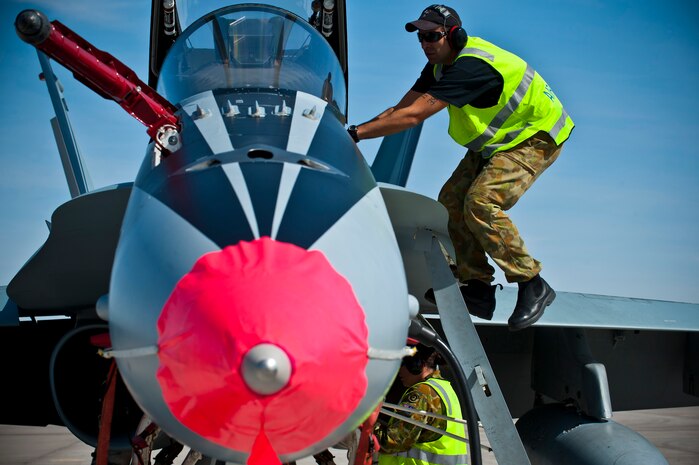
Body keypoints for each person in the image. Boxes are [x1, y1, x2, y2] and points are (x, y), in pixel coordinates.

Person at [347, 5, 574, 331]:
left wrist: (355, 135)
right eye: (421, 37)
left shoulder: (469, 68)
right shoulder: (438, 66)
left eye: (432, 36)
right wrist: (351, 133)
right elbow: (400, 109)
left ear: (454, 36)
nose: (425, 43)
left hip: (535, 137)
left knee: (481, 202)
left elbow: (413, 118)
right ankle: (477, 287)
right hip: (499, 142)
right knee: (451, 201)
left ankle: (532, 283)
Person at [375, 344, 468, 465]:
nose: (399, 371)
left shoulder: (422, 392)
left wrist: (369, 427)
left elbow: (394, 441)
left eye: (402, 364)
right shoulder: (444, 387)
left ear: (417, 365)